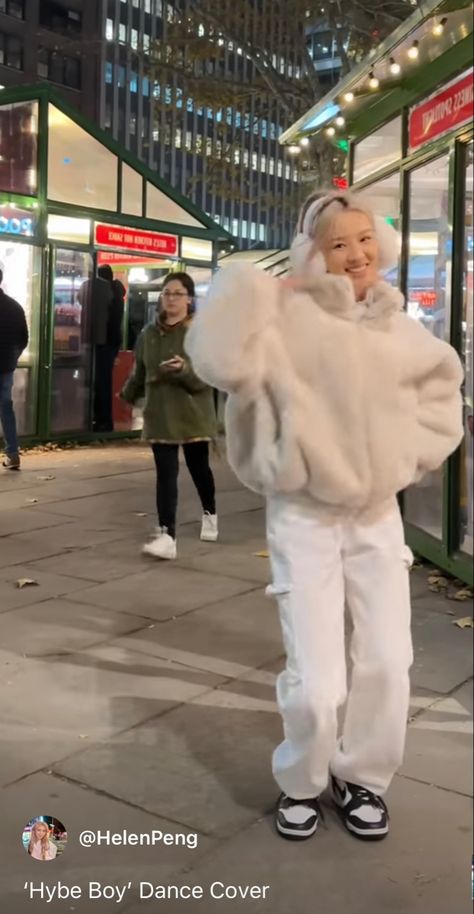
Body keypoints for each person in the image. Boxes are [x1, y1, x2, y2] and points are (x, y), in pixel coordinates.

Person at [185, 190, 464, 842]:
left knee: (389, 662)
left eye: (365, 238)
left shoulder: (401, 327)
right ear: (315, 252)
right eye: (339, 242)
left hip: (374, 517)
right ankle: (304, 781)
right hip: (303, 515)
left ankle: (364, 776)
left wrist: (404, 459)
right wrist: (250, 291)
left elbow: (444, 395)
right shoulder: (284, 320)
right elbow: (217, 363)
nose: (357, 253)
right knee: (315, 681)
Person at [121, 272, 218, 560]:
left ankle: (210, 512)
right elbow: (140, 371)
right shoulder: (149, 334)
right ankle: (167, 535)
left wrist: (184, 370)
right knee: (166, 474)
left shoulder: (200, 334)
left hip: (192, 414)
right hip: (160, 413)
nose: (171, 299)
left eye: (177, 293)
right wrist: (127, 395)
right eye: (166, 293)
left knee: (198, 468)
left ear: (189, 298)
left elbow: (207, 377)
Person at [0, 269, 29, 470]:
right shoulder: (15, 307)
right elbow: (23, 338)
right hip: (6, 367)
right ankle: (13, 453)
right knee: (6, 408)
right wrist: (13, 357)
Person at [78, 272, 113, 432]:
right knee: (101, 381)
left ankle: (88, 418)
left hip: (86, 336)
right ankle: (101, 420)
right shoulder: (108, 287)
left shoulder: (85, 285)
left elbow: (79, 299)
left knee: (88, 380)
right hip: (103, 338)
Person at [97, 264, 126, 431]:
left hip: (105, 342)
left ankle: (104, 420)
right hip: (111, 341)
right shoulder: (117, 293)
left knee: (102, 382)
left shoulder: (109, 294)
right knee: (103, 381)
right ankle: (103, 419)